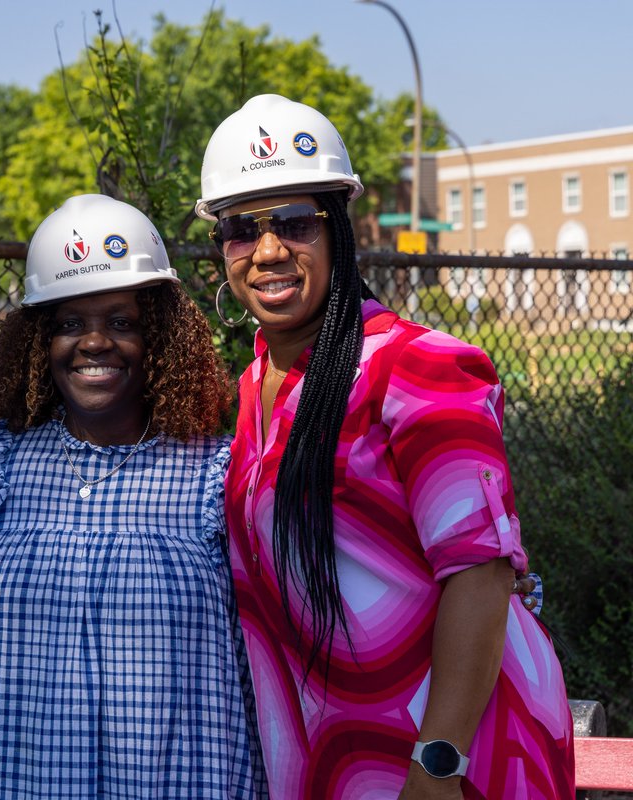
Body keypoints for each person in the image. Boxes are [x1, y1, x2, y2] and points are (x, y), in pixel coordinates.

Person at [195, 94, 574, 799]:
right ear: (221, 248)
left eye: (295, 223)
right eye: (242, 228)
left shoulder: (417, 367)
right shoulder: (250, 390)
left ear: (337, 229)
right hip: (331, 754)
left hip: (450, 757)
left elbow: (481, 575)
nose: (270, 250)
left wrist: (438, 763)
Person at [0, 194, 264, 799]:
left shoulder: (218, 472)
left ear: (159, 338)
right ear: (38, 342)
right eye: (70, 323)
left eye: (121, 322)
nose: (94, 342)